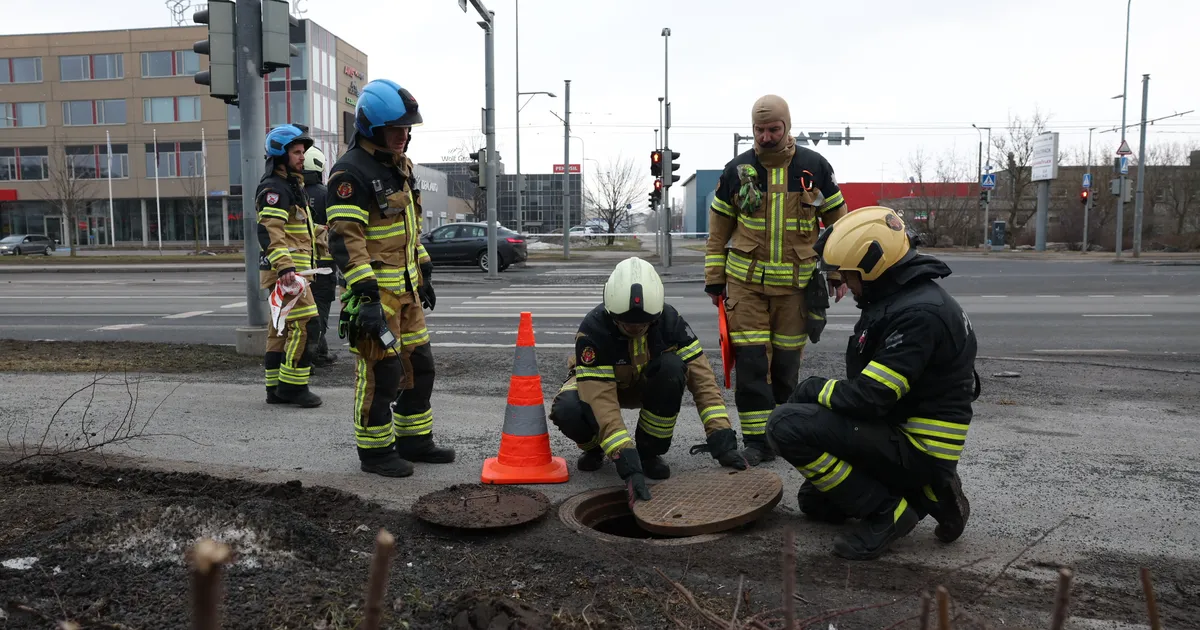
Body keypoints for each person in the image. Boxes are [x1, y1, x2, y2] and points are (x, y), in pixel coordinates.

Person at [765, 207, 979, 560]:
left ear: (874, 266)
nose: (846, 286)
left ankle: (889, 512)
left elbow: (870, 397)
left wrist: (814, 388)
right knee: (815, 503)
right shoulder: (902, 299)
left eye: (849, 277)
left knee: (785, 426)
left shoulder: (918, 315)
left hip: (919, 447)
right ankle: (931, 493)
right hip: (903, 430)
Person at [703, 94, 849, 466]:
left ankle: (782, 431)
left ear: (787, 127)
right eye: (759, 130)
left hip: (794, 292)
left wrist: (837, 272)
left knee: (786, 366)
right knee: (752, 363)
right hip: (745, 287)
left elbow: (839, 226)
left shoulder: (814, 167)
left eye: (773, 129)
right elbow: (718, 233)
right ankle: (757, 441)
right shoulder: (737, 171)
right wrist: (715, 280)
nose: (766, 136)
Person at [326, 79, 450, 478]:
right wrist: (365, 297)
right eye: (396, 128)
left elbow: (408, 229)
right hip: (376, 296)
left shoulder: (399, 168)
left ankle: (415, 441)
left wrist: (424, 268)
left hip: (408, 293)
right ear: (371, 126)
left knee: (420, 365)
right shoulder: (350, 173)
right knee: (382, 373)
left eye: (407, 128)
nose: (404, 135)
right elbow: (347, 241)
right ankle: (376, 452)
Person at [549, 257, 747, 506]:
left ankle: (649, 452)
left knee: (673, 368)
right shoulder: (594, 330)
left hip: (647, 385)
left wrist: (722, 438)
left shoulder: (670, 321)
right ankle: (594, 448)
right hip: (599, 386)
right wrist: (626, 461)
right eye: (627, 324)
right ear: (612, 313)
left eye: (642, 324)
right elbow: (599, 399)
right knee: (567, 408)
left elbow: (703, 381)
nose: (635, 328)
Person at [257, 124, 322, 408]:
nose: (301, 157)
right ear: (280, 153)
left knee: (280, 330)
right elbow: (271, 230)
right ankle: (293, 387)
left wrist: (329, 235)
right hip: (288, 274)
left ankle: (274, 389)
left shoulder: (291, 186)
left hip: (291, 271)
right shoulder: (275, 188)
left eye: (302, 152)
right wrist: (285, 269)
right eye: (296, 152)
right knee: (308, 324)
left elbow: (299, 229)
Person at [302, 145, 338, 368]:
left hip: (301, 264)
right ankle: (311, 355)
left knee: (304, 311)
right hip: (324, 265)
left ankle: (320, 351)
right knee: (321, 310)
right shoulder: (327, 195)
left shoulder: (295, 193)